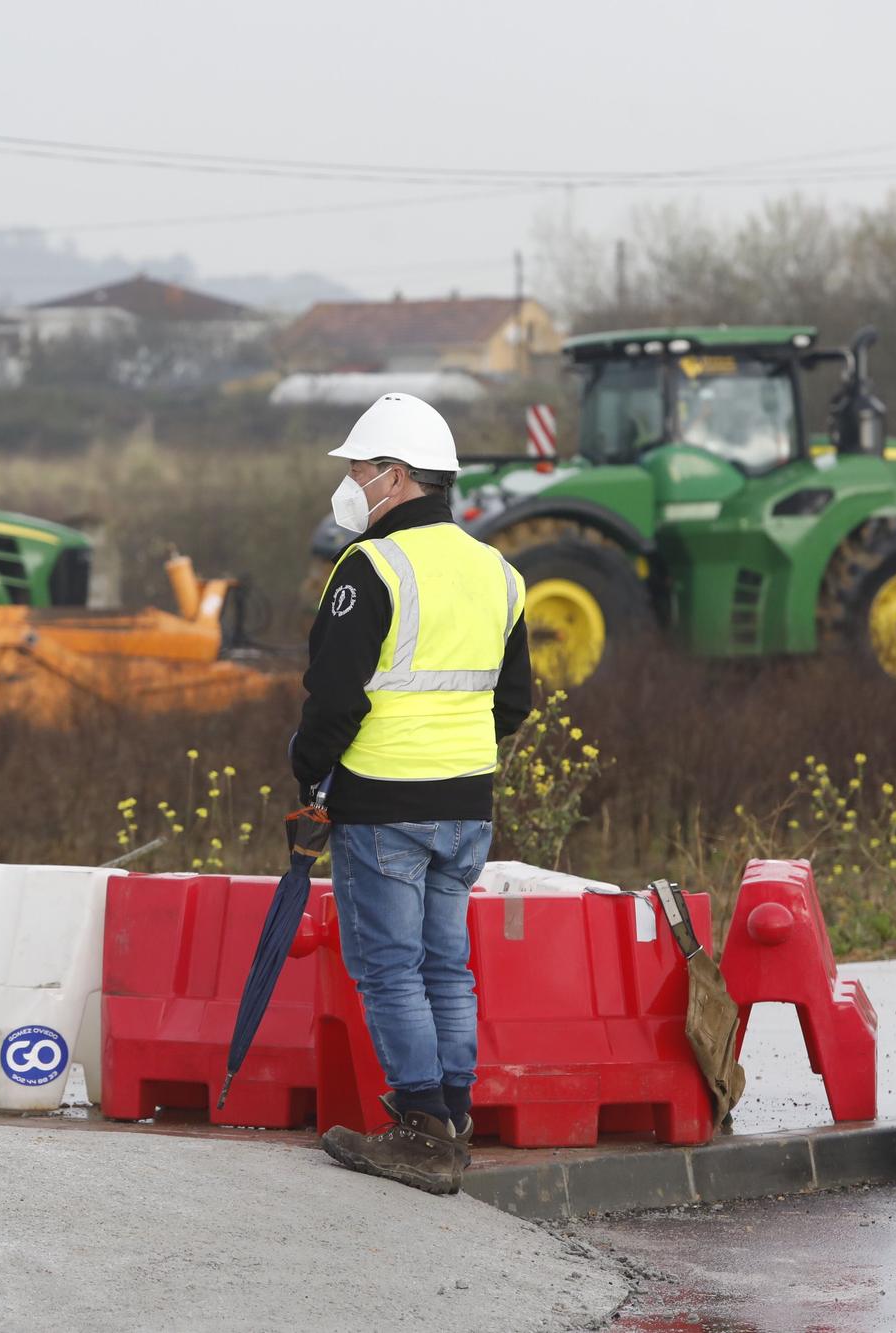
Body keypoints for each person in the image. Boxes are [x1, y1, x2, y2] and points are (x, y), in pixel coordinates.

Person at [293, 393, 532, 1195]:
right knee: (446, 967)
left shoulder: (371, 567)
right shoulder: (500, 572)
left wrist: (307, 772)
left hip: (384, 805)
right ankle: (453, 1122)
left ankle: (422, 1135)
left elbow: (333, 699)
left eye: (359, 469)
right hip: (467, 808)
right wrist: (457, 760)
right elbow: (513, 702)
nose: (351, 482)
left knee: (391, 969)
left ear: (395, 477)